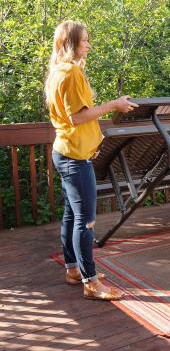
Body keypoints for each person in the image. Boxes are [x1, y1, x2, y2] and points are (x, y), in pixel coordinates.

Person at [45, 20, 137, 300]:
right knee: (85, 222)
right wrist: (114, 105)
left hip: (66, 152)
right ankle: (91, 283)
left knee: (72, 216)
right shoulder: (70, 72)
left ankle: (74, 270)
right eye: (84, 40)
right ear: (71, 43)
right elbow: (77, 117)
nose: (89, 44)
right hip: (74, 158)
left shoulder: (60, 71)